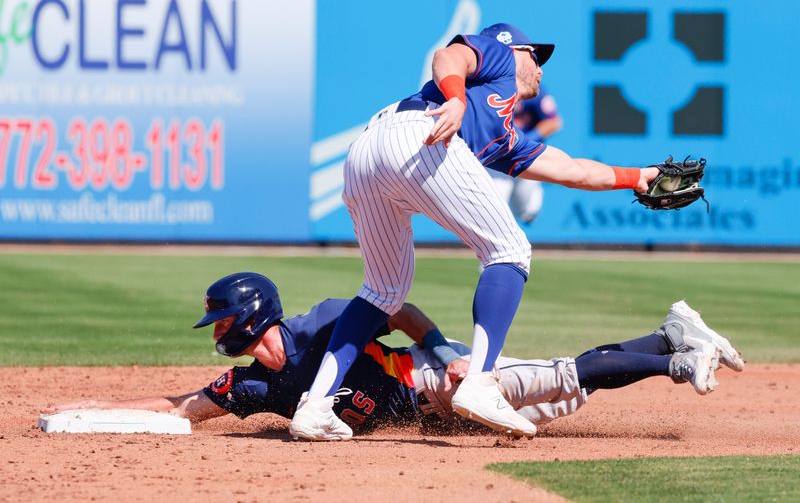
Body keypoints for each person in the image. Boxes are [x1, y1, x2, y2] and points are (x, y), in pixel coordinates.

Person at [289, 21, 661, 441]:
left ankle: (316, 406)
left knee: (383, 291)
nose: (540, 68)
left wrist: (637, 177)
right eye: (536, 56)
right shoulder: (498, 59)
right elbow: (449, 56)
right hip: (420, 134)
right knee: (510, 250)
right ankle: (480, 382)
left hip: (367, 155)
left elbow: (571, 170)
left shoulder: (503, 138)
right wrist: (454, 99)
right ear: (513, 49)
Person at [43, 272, 745, 438]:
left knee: (561, 383)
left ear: (247, 314)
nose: (220, 332)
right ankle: (670, 338)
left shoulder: (320, 324)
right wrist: (86, 415)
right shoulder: (251, 386)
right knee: (565, 390)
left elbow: (399, 309)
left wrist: (446, 351)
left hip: (439, 383)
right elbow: (180, 410)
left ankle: (674, 353)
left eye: (222, 320)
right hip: (430, 424)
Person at [488, 85, 562, 224]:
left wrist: (525, 140)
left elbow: (554, 122)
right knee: (496, 206)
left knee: (526, 210)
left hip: (526, 156)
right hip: (497, 157)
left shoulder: (531, 87)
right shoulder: (490, 87)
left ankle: (530, 207)